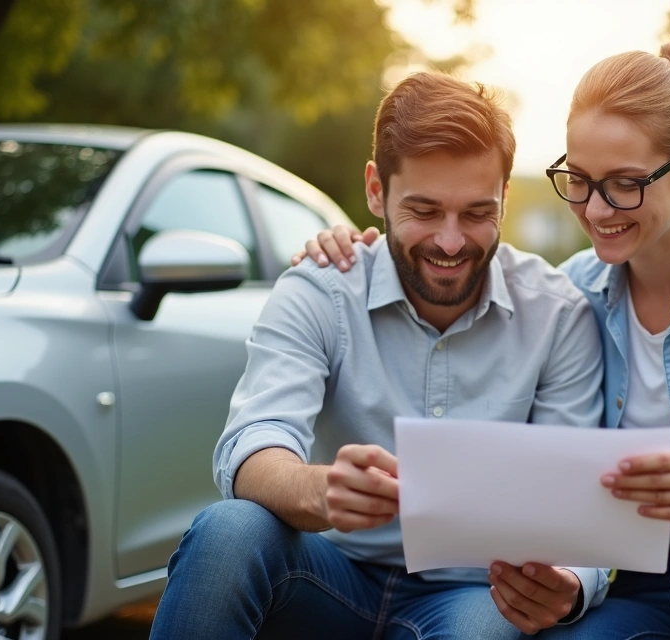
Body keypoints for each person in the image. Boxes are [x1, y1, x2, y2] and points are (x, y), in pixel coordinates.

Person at [296, 38, 670, 640]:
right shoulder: (572, 298)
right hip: (652, 592)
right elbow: (566, 489)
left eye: (624, 183)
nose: (595, 209)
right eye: (579, 179)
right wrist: (369, 250)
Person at [149, 71, 612, 640]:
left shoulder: (558, 315)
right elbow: (254, 443)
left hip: (474, 592)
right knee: (228, 532)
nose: (449, 241)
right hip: (327, 572)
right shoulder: (321, 287)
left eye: (475, 213)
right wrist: (320, 490)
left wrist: (568, 579)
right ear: (376, 190)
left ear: (505, 198)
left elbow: (575, 494)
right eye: (423, 210)